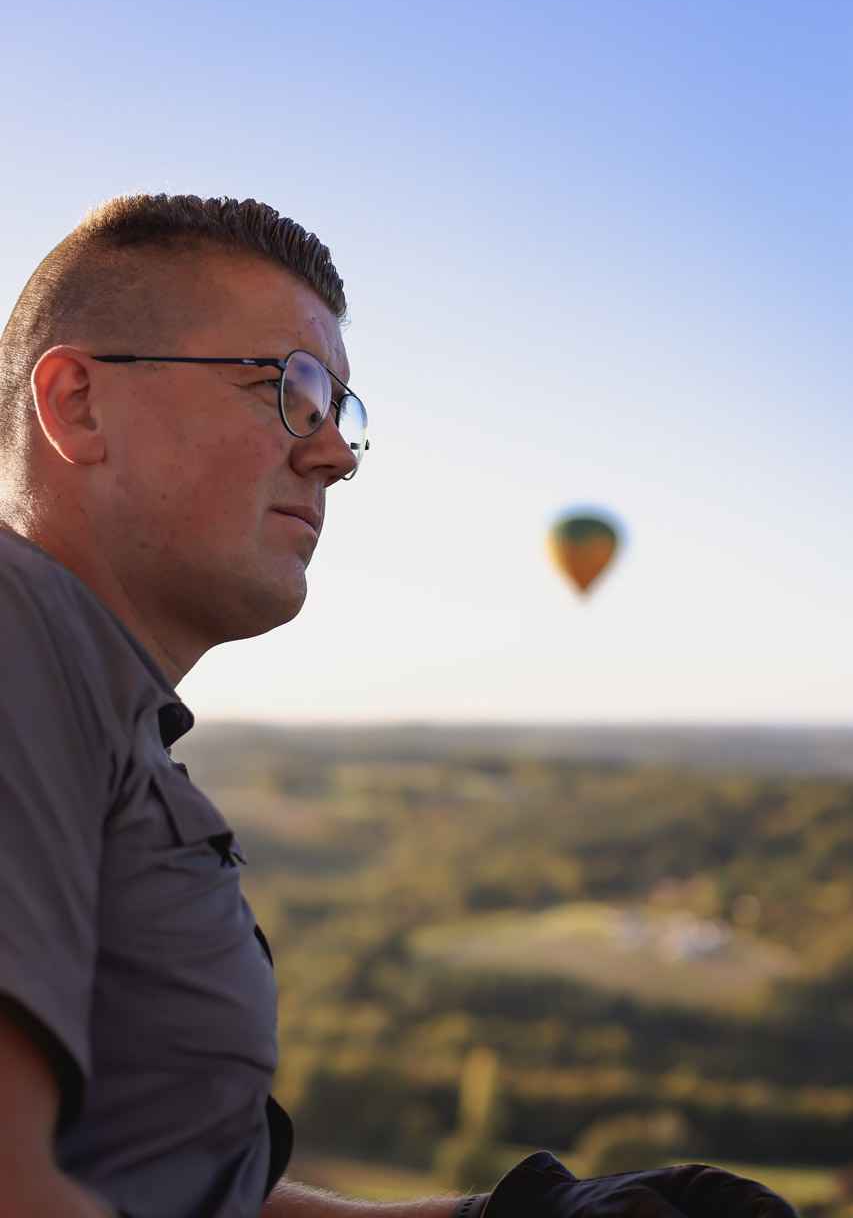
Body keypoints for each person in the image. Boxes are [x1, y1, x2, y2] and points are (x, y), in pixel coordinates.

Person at [0, 194, 795, 1218]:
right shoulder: (18, 629)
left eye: (342, 412)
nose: (333, 454)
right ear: (77, 404)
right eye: (291, 389)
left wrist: (498, 1216)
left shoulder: (107, 724)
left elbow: (177, 1192)